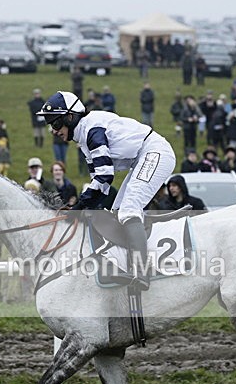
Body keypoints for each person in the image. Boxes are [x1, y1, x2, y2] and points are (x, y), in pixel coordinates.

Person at [37, 90, 177, 290]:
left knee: (128, 211)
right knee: (118, 212)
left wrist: (78, 207)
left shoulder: (92, 132)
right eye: (50, 125)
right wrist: (81, 208)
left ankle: (141, 271)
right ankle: (127, 263)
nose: (53, 130)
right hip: (142, 157)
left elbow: (105, 177)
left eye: (56, 123)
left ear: (70, 117)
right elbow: (100, 185)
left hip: (155, 152)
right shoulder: (84, 137)